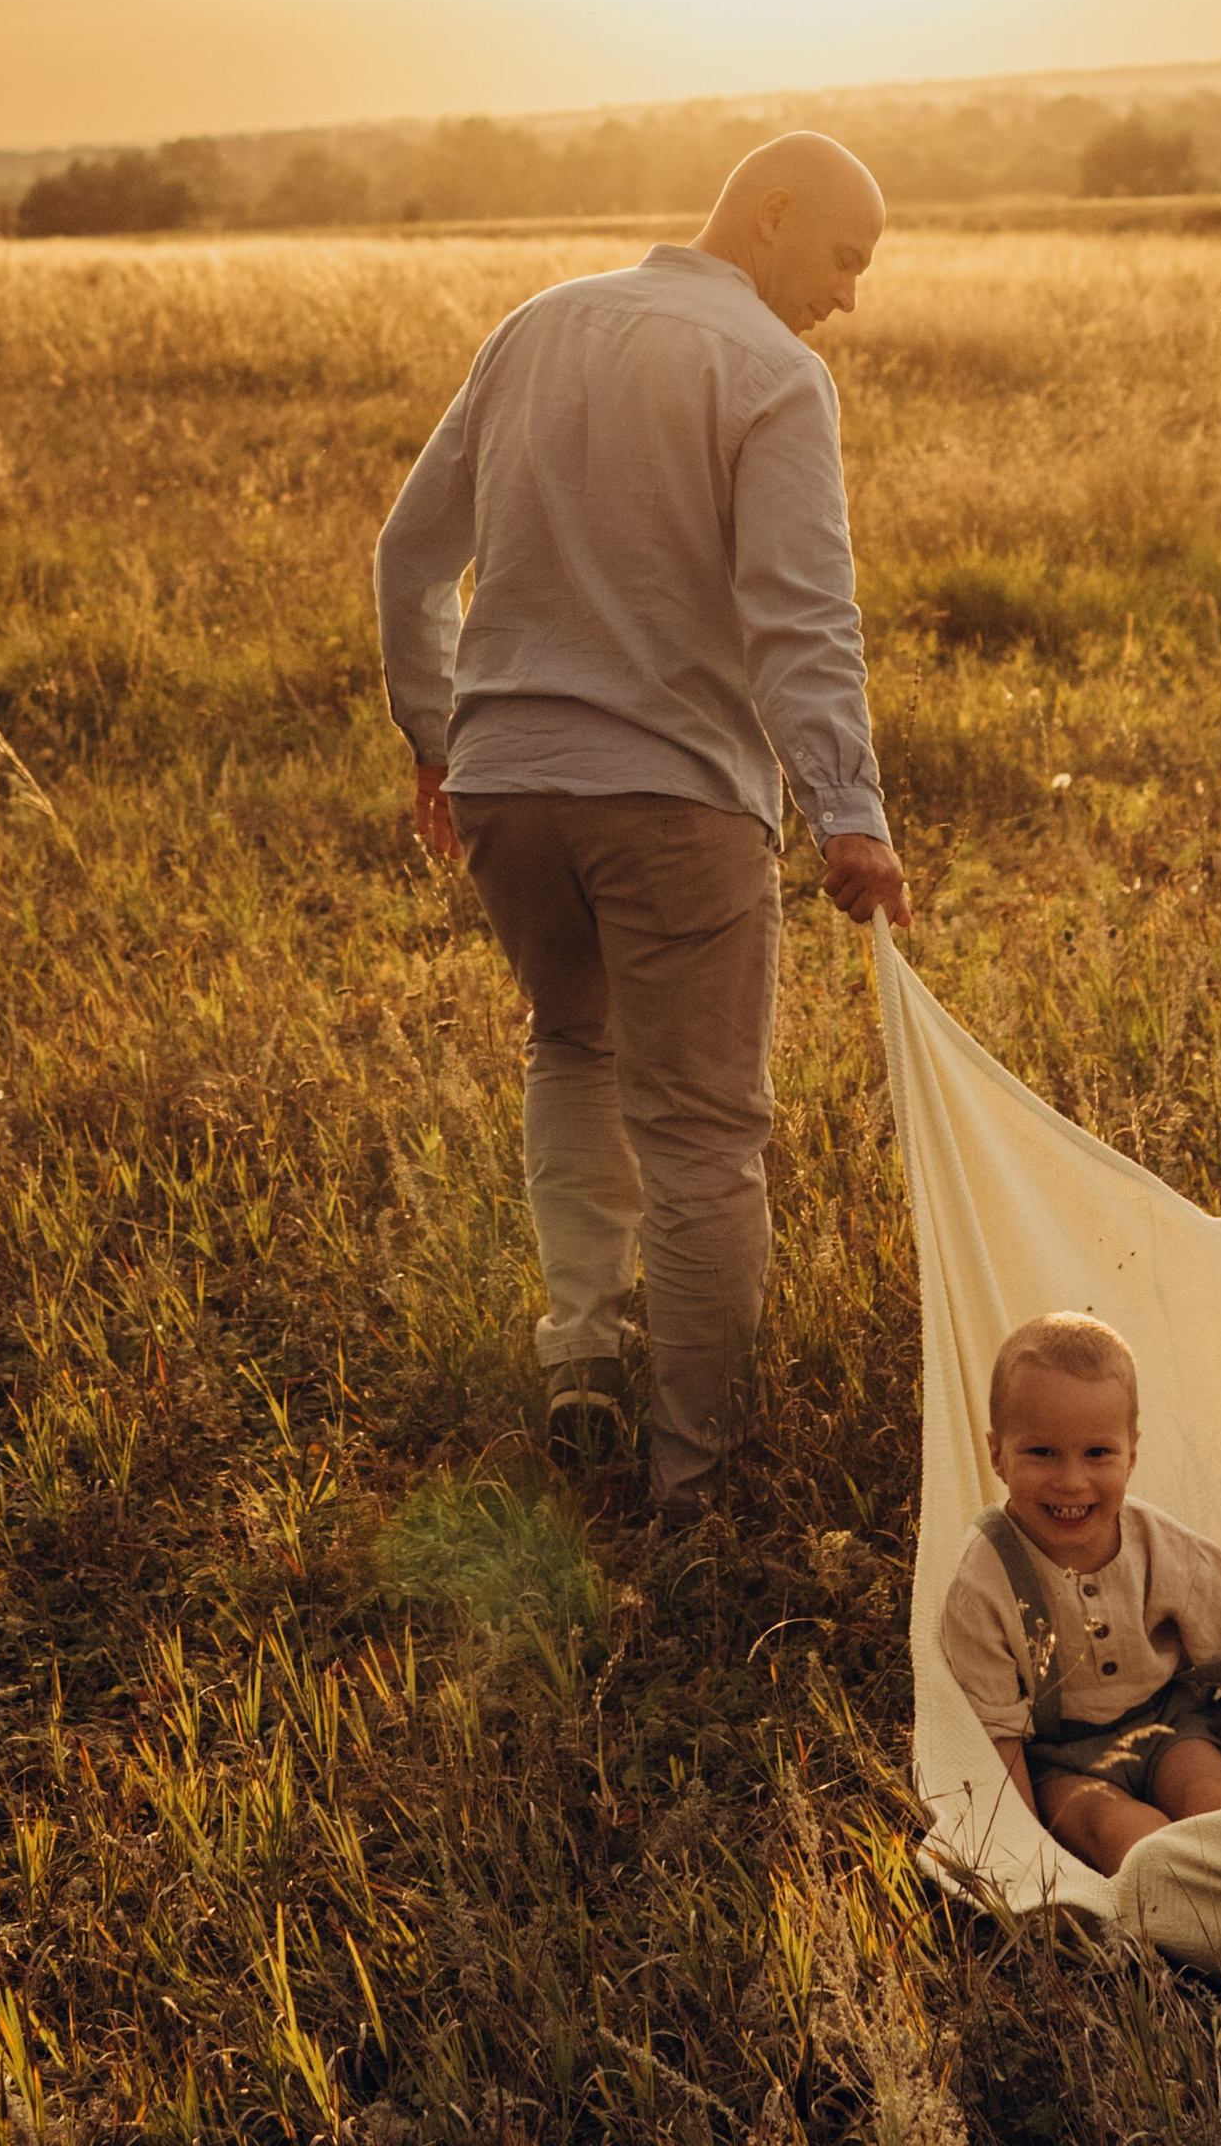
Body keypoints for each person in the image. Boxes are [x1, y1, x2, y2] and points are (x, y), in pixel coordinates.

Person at [373, 130, 910, 1522]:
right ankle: (698, 1475)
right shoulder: (773, 373)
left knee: (573, 1038)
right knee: (704, 1137)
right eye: (844, 257)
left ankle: (581, 1348)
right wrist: (849, 812)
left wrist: (438, 738)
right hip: (675, 798)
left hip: (507, 785)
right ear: (774, 215)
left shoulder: (535, 325)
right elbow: (802, 615)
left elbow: (410, 551)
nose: (848, 294)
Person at [937, 1310, 1221, 1873]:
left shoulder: (1163, 1547)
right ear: (997, 1453)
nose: (1072, 1481)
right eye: (1041, 1453)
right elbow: (997, 1740)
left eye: (1097, 1454)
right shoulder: (983, 1581)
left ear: (1132, 1452)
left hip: (1168, 1729)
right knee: (1130, 1839)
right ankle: (1194, 1931)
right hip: (1058, 1761)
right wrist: (1031, 1863)